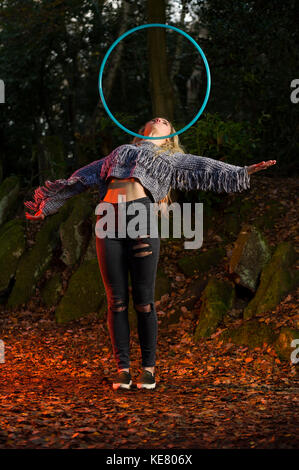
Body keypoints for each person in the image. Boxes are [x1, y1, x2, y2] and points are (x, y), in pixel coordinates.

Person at [25, 117, 276, 390]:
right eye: (154, 119)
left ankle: (148, 370)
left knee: (144, 301)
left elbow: (207, 168)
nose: (159, 119)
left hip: (140, 216)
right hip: (107, 219)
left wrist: (243, 171)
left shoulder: (169, 158)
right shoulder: (119, 152)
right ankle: (122, 371)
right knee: (116, 302)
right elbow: (79, 179)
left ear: (170, 136)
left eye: (166, 121)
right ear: (140, 131)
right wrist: (46, 205)